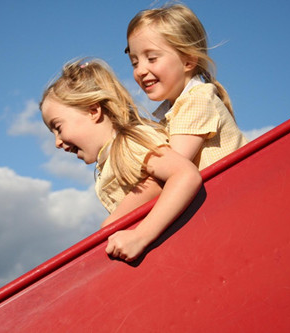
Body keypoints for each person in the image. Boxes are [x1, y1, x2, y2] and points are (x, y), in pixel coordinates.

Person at [40, 58, 202, 262]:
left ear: (93, 111)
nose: (57, 142)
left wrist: (140, 236)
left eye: (58, 128)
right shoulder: (111, 159)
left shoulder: (130, 144)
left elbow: (184, 174)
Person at [126, 3, 248, 170]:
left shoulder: (197, 100)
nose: (140, 70)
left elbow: (172, 168)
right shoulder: (174, 113)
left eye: (152, 58)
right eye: (134, 62)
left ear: (188, 61)